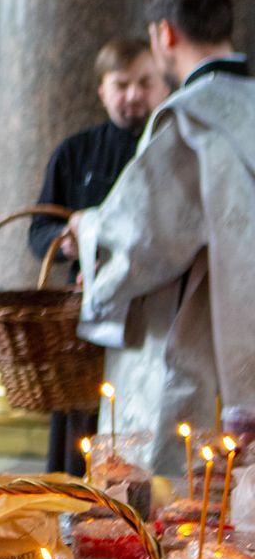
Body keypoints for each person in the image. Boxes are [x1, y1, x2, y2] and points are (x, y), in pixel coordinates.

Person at [71, 0, 255, 479]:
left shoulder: (189, 118)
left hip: (195, 337)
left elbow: (143, 239)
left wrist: (88, 231)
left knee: (176, 504)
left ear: (165, 35)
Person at [27, 37, 170, 473]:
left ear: (163, 84)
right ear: (101, 91)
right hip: (85, 315)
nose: (133, 95)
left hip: (153, 318)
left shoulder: (173, 148)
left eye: (145, 82)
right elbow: (39, 232)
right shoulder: (74, 152)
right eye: (121, 84)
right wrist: (69, 240)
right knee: (79, 430)